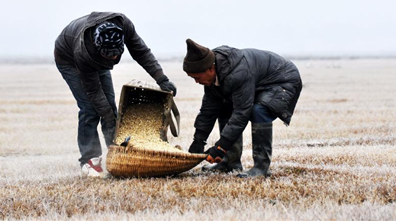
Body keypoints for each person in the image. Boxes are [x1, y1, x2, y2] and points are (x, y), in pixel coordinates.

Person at [54, 11, 176, 177]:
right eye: (108, 55)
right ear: (99, 49)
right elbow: (94, 92)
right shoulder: (83, 52)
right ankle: (89, 160)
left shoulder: (124, 25)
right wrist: (111, 119)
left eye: (116, 54)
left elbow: (141, 52)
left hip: (95, 59)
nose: (113, 58)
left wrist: (161, 79)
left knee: (110, 106)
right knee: (90, 108)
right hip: (69, 58)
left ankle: (116, 153)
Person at [185, 39, 302, 177]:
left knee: (258, 110)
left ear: (211, 69)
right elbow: (208, 110)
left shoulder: (237, 72)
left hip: (282, 79)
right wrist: (199, 140)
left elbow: (241, 113)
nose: (197, 82)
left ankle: (261, 168)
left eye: (197, 77)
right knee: (223, 108)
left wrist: (221, 147)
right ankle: (230, 163)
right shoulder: (213, 72)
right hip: (257, 82)